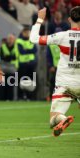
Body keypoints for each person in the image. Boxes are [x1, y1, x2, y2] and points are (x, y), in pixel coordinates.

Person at [29, 6, 80, 137]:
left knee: (53, 119)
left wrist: (40, 19)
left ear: (69, 19)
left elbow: (34, 39)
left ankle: (62, 119)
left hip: (64, 83)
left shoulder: (62, 36)